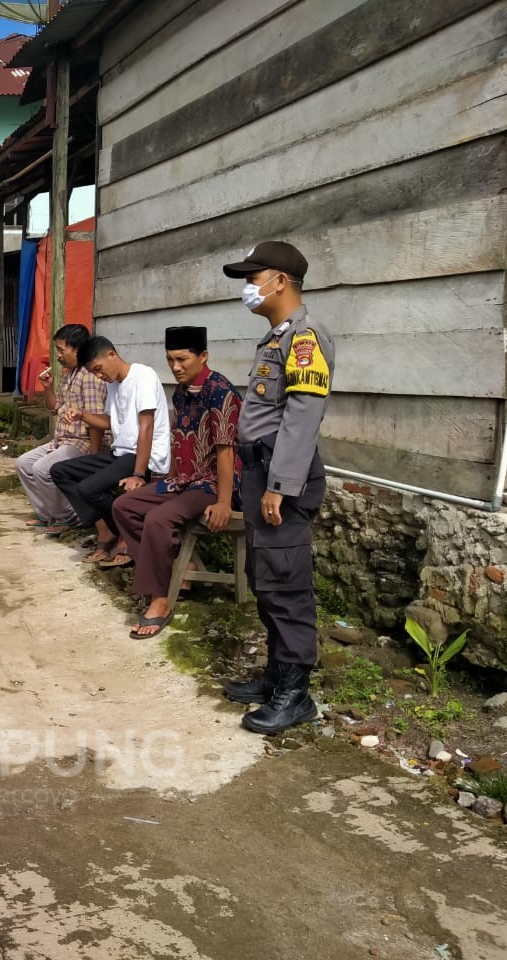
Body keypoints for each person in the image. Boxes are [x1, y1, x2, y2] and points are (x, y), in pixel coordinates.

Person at [219, 242, 334, 735]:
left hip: (281, 479)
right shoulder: (276, 339)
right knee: (267, 581)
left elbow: (302, 417)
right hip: (261, 474)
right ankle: (276, 676)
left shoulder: (306, 337)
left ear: (280, 281)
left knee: (286, 586)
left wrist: (280, 486)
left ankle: (296, 694)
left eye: (254, 276)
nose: (248, 286)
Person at [112, 326, 241, 638]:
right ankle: (172, 573)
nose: (175, 366)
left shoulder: (221, 392)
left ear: (203, 356)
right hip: (183, 481)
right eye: (170, 360)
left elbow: (226, 451)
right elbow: (180, 441)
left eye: (182, 359)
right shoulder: (181, 393)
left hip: (211, 485)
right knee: (124, 506)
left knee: (158, 518)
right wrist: (165, 480)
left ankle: (161, 600)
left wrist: (224, 501)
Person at [49, 337, 171, 563]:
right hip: (120, 453)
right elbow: (110, 422)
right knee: (60, 471)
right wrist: (82, 414)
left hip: (144, 456)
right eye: (94, 372)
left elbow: (147, 425)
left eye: (98, 369)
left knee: (89, 488)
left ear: (111, 355)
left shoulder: (142, 375)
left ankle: (124, 534)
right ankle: (107, 529)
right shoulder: (114, 384)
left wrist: (137, 474)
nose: (99, 376)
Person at [15, 324, 106, 533]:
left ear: (78, 349)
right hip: (62, 440)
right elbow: (55, 408)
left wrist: (93, 455)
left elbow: (96, 419)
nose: (59, 355)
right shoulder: (69, 374)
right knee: (23, 464)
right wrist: (47, 389)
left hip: (82, 442)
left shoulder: (89, 376)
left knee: (41, 469)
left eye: (62, 350)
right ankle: (48, 515)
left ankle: (70, 516)